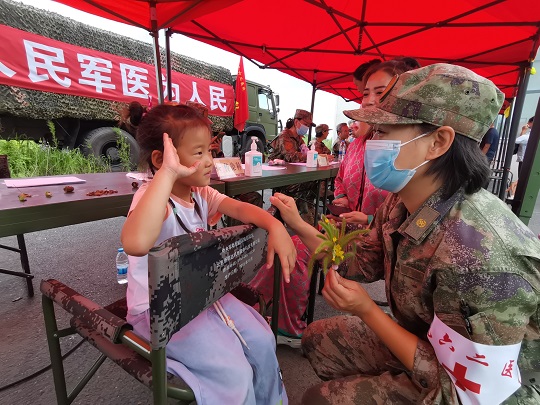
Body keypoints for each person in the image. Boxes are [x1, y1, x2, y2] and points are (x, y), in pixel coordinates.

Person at [270, 63, 540, 404]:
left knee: (319, 400)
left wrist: (367, 310)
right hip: (425, 343)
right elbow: (361, 262)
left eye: (384, 132)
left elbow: (468, 390)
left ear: (438, 142)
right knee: (319, 339)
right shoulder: (403, 202)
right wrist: (297, 223)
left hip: (478, 390)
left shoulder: (482, 257)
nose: (371, 142)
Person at [120, 103, 296, 405]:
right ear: (162, 160)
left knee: (263, 339)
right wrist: (167, 174)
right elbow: (135, 243)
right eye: (198, 153)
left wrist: (275, 225)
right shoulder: (153, 198)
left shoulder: (200, 193)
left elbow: (240, 208)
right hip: (159, 311)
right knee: (234, 372)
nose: (208, 162)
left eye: (209, 151)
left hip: (202, 294)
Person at [333, 59, 411, 227]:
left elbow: (413, 211)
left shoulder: (409, 149)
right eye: (365, 94)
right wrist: (342, 198)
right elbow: (340, 178)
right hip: (348, 233)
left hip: (382, 239)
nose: (368, 101)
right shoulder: (355, 145)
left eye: (380, 92)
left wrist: (369, 220)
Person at [268, 109, 319, 222]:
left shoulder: (299, 138)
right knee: (299, 185)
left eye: (308, 126)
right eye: (305, 124)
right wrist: (312, 156)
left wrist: (313, 155)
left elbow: (306, 153)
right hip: (278, 175)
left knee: (313, 181)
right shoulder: (284, 136)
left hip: (292, 173)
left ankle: (304, 209)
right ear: (296, 122)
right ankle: (281, 216)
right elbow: (292, 157)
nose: (307, 128)